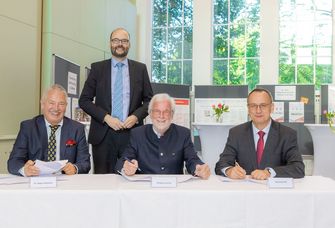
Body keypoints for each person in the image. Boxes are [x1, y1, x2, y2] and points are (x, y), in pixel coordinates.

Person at [79, 27, 153, 174]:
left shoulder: (140, 69)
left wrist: (135, 117)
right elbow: (84, 100)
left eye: (124, 41)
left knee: (132, 180)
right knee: (103, 184)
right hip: (103, 135)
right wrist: (106, 118)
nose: (120, 44)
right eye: (116, 40)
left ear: (129, 44)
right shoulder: (97, 68)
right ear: (110, 43)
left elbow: (150, 101)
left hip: (132, 134)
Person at [215, 88, 305, 180]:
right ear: (248, 109)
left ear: (272, 107)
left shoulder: (287, 134)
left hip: (275, 191)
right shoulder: (236, 133)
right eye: (253, 106)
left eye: (263, 105)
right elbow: (221, 164)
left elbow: (298, 168)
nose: (258, 110)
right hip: (245, 191)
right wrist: (229, 170)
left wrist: (269, 172)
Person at [115, 93, 211, 179]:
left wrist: (198, 168)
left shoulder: (183, 134)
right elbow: (123, 160)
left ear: (172, 115)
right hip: (145, 190)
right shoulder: (137, 134)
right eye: (157, 111)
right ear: (151, 114)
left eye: (166, 111)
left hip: (174, 190)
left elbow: (192, 159)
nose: (161, 116)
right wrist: (126, 166)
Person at [8, 84, 91, 176]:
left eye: (61, 104)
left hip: (66, 182)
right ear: (43, 104)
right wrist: (24, 169)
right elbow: (13, 162)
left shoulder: (77, 129)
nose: (56, 108)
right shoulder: (28, 128)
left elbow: (85, 163)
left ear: (66, 106)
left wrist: (75, 168)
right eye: (51, 103)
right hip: (36, 181)